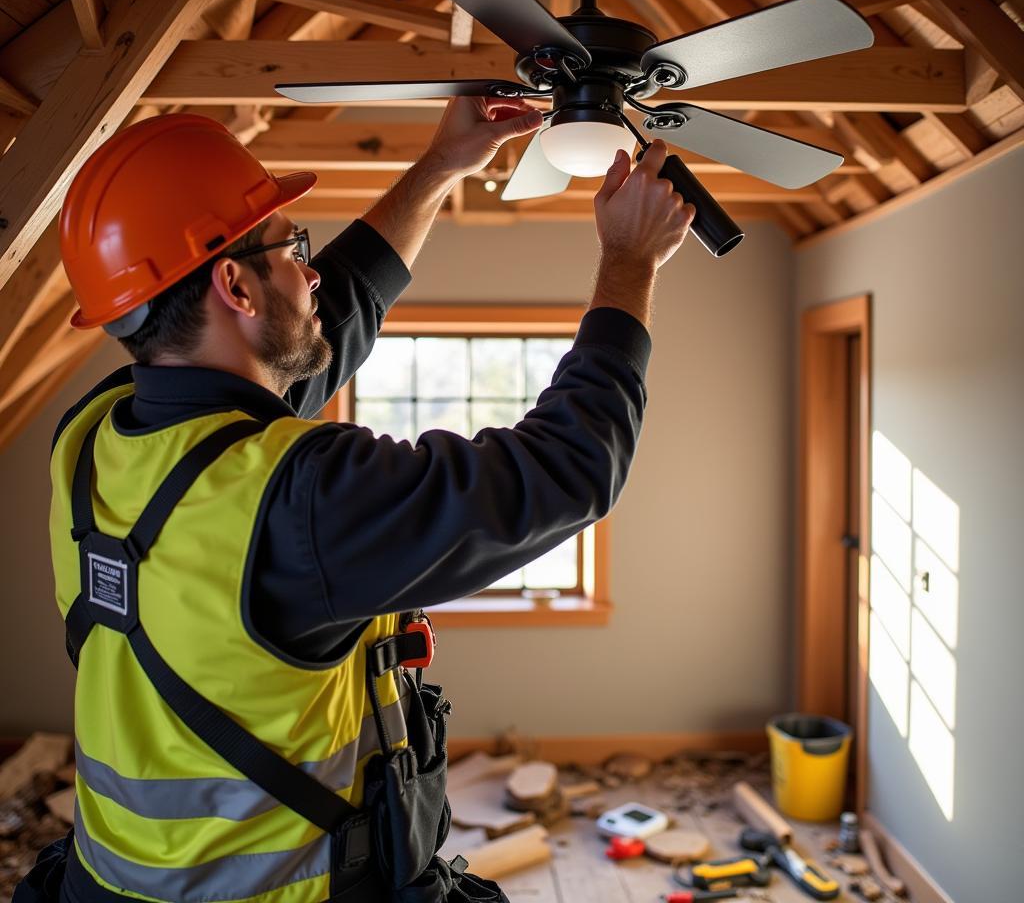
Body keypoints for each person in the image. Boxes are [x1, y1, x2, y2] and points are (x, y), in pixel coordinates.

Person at [23, 98, 693, 903]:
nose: (312, 270)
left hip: (104, 883)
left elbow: (313, 325)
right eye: (292, 247)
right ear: (233, 285)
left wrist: (442, 164)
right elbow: (567, 469)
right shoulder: (303, 497)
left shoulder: (92, 438)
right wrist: (630, 260)